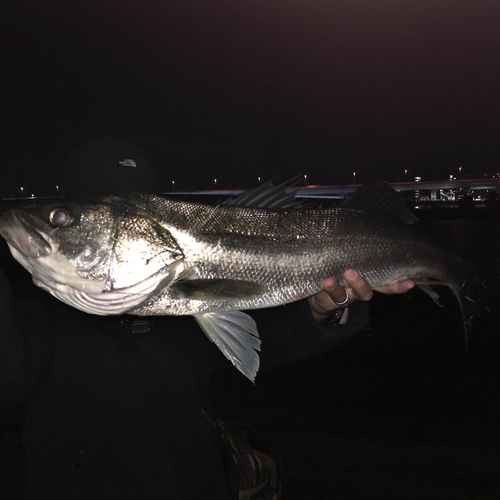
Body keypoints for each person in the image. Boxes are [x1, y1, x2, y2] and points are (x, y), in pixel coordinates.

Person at [0, 139, 414, 500]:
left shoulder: (185, 296)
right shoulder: (37, 305)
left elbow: (262, 346)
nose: (48, 225)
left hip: (197, 486)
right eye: (61, 217)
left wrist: (321, 312)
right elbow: (9, 380)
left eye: (60, 219)